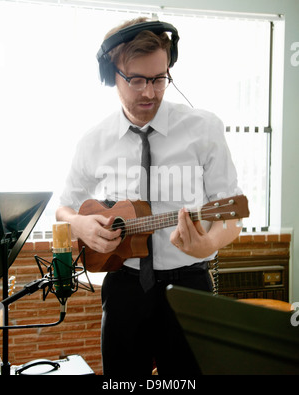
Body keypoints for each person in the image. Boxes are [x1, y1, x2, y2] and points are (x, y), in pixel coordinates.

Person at [56, 17, 242, 376]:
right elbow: (63, 206)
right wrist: (80, 223)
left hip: (188, 284)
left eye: (159, 79)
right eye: (137, 80)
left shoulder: (204, 128)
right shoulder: (93, 140)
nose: (149, 92)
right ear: (112, 75)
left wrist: (208, 245)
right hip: (123, 285)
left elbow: (231, 214)